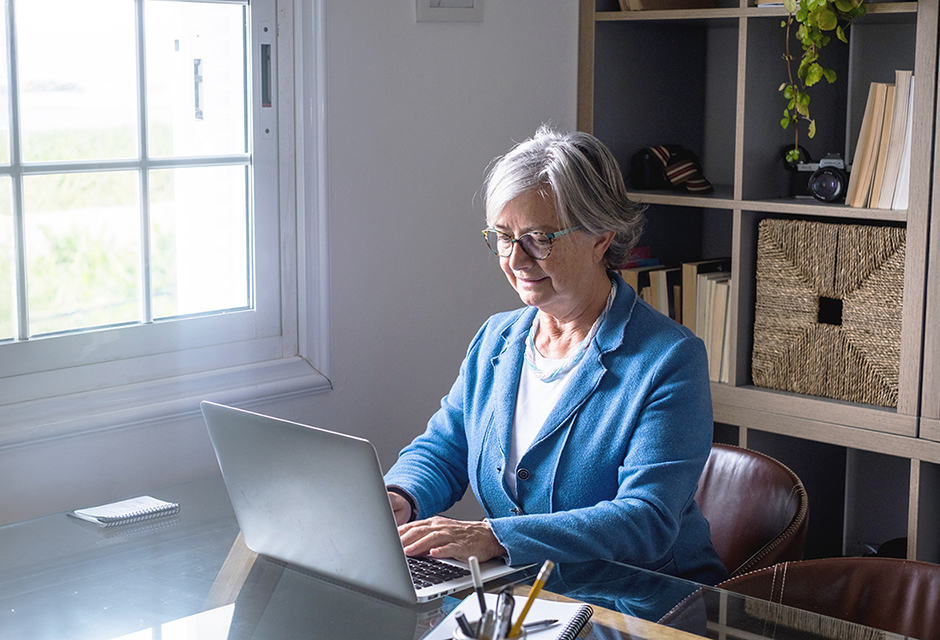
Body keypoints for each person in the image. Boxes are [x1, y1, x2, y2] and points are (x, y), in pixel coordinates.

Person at [383, 125, 727, 585]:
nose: (516, 260)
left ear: (601, 237)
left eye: (539, 238)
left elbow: (646, 520)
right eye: (504, 236)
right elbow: (445, 447)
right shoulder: (495, 340)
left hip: (640, 606)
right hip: (520, 596)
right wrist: (400, 494)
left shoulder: (670, 360)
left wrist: (496, 536)